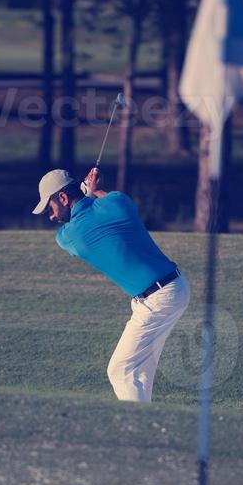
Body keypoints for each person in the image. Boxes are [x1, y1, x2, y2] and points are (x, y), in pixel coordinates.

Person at [32, 167, 191, 403]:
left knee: (119, 370)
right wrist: (94, 191)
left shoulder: (70, 236)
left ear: (63, 198)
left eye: (51, 207)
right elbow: (104, 202)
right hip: (174, 287)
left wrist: (87, 192)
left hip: (158, 299)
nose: (51, 216)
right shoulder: (118, 201)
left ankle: (136, 429)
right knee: (141, 370)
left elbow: (80, 219)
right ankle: (146, 424)